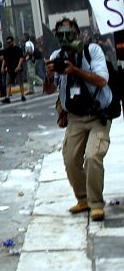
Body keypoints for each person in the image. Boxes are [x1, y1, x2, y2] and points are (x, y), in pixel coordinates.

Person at [44, 17, 114, 222]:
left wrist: (75, 70)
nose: (66, 39)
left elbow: (102, 80)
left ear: (79, 34)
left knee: (92, 156)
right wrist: (49, 75)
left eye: (70, 35)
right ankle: (83, 199)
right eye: (61, 36)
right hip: (74, 117)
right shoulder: (57, 55)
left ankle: (96, 204)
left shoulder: (92, 52)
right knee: (70, 160)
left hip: (97, 116)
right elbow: (49, 89)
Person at [2, 35, 27, 103]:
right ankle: (7, 97)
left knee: (20, 82)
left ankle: (22, 95)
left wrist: (18, 66)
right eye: (8, 43)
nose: (9, 44)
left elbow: (21, 58)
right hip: (10, 69)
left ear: (13, 41)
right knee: (8, 83)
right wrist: (3, 67)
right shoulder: (6, 51)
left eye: (10, 42)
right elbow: (5, 59)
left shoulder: (18, 49)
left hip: (18, 69)